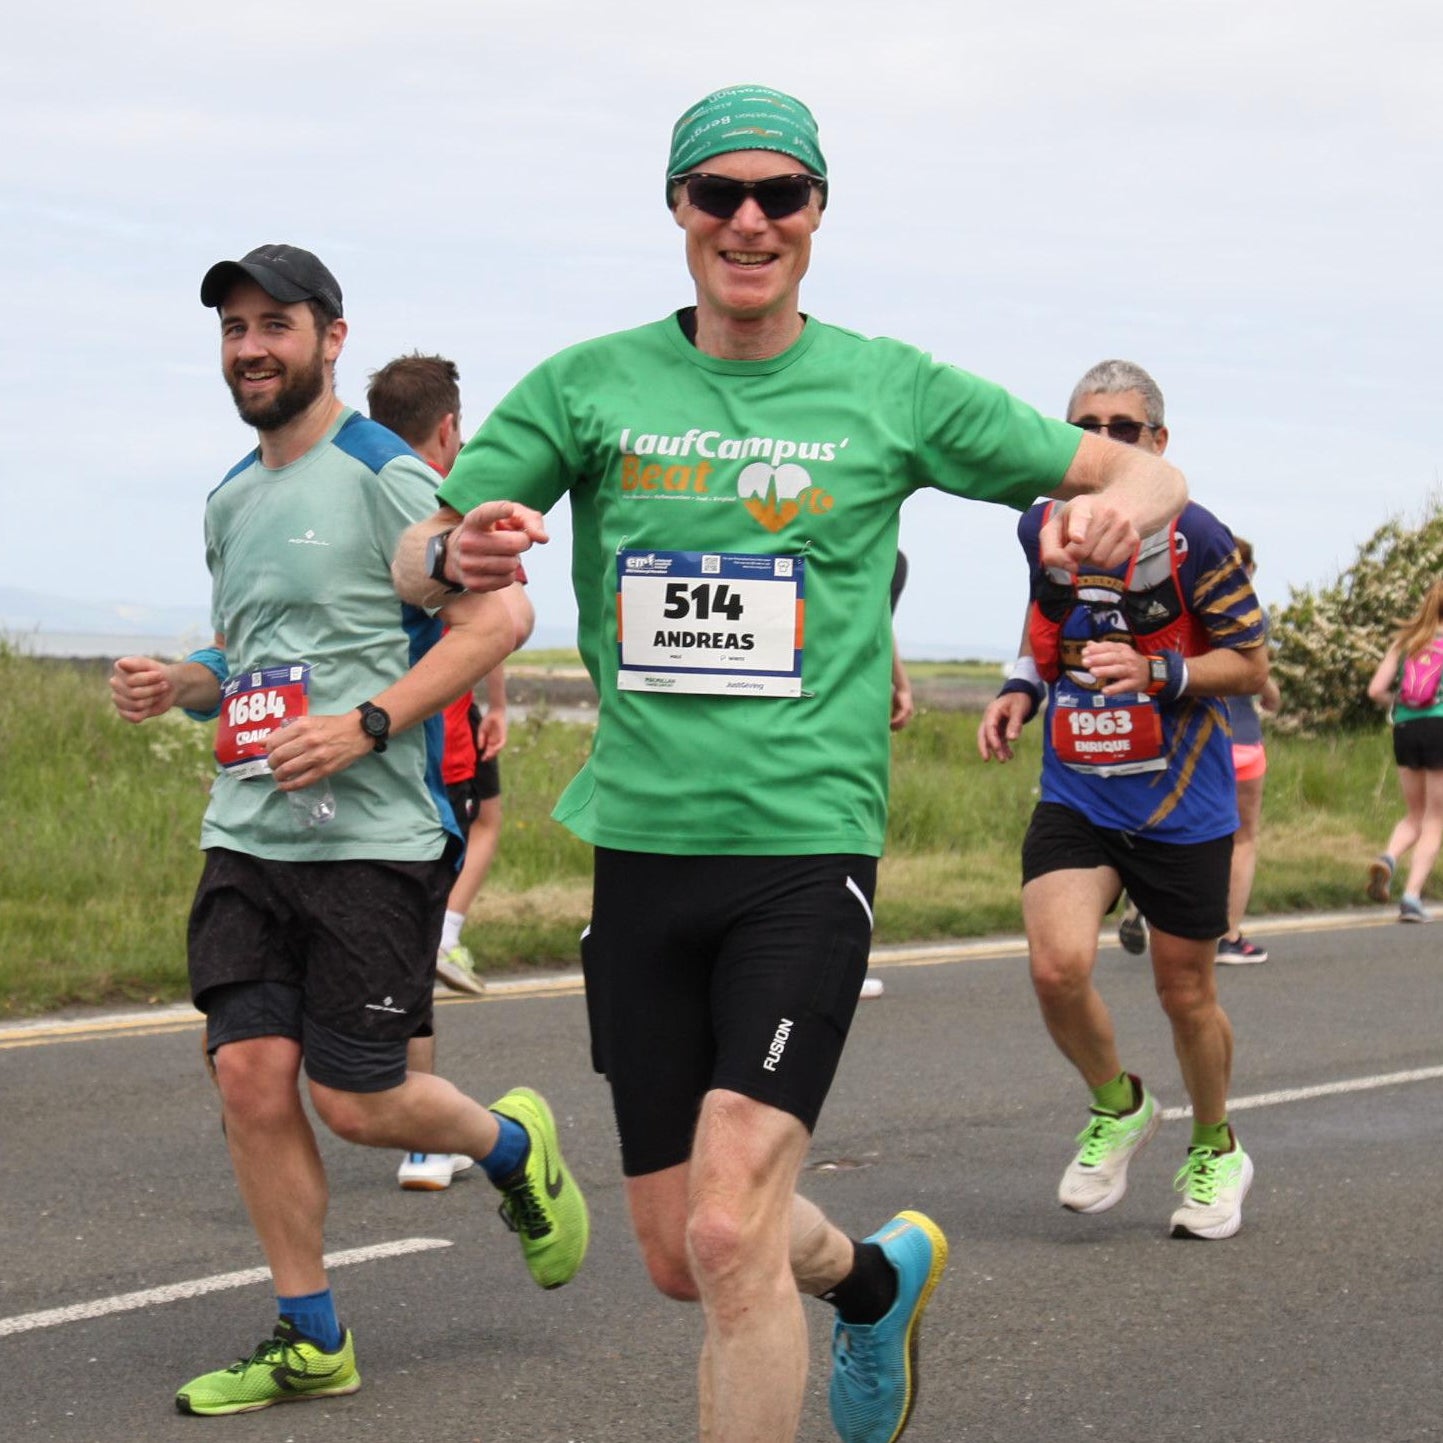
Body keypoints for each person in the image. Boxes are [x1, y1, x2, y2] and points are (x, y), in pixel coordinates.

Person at [392, 89, 1187, 1443]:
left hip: (804, 850)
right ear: (678, 211)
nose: (748, 219)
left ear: (816, 213)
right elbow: (425, 539)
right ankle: (873, 1278)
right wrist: (445, 556)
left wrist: (1116, 505)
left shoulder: (890, 386)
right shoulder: (591, 383)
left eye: (779, 195)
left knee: (723, 1213)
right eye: (718, 194)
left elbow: (1144, 478)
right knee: (678, 1246)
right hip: (640, 851)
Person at [109, 246, 587, 1416]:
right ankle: (309, 1335)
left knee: (359, 1100)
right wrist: (188, 679)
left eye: (275, 324)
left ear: (331, 337)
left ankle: (512, 1148)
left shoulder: (383, 472)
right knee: (252, 1079)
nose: (251, 346)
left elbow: (499, 615)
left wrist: (368, 726)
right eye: (234, 328)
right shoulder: (231, 496)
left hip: (372, 839)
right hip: (251, 832)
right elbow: (263, 655)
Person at [979, 358, 1268, 1242]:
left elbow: (1250, 663)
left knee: (1185, 993)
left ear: (1157, 445)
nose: (1103, 445)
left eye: (1123, 430)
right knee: (1054, 965)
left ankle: (1216, 1143)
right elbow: (1045, 622)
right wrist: (1021, 687)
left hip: (1181, 798)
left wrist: (1156, 671)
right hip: (1077, 786)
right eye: (1087, 428)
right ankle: (1120, 1104)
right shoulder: (1044, 526)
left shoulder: (1197, 538)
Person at [367, 352, 530, 1191]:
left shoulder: (358, 482)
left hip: (362, 747)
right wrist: (493, 703)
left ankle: (418, 1123)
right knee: (414, 949)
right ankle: (428, 1136)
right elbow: (496, 618)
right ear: (447, 431)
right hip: (429, 746)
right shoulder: (443, 502)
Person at [1216, 536, 1282, 963]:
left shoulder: (1187, 607)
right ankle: (1229, 936)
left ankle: (1156, 909)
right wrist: (1274, 698)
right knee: (1242, 840)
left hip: (1193, 738)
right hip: (1242, 740)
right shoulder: (1252, 615)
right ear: (1249, 570)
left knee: (1189, 832)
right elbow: (1259, 680)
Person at [1365, 577, 1443, 922]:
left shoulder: (1407, 641)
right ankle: (1411, 898)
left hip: (1406, 728)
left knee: (1414, 813)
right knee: (1435, 819)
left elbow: (1375, 690)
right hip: (1440, 727)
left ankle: (1389, 857)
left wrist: (1399, 702)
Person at [859, 552, 914, 1001]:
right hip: (850, 702)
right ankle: (842, 959)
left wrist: (899, 682)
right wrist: (899, 683)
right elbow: (876, 616)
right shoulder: (888, 557)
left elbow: (877, 618)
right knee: (851, 824)